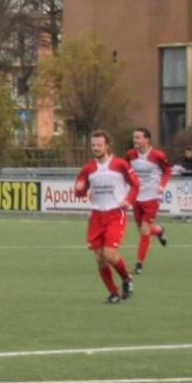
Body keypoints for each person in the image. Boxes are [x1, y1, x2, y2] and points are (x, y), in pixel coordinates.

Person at [74, 129, 139, 304]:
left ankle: (127, 279)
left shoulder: (120, 165)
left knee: (110, 254)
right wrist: (79, 188)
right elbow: (79, 192)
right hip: (96, 216)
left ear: (107, 145)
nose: (95, 148)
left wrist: (128, 200)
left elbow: (136, 185)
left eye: (99, 145)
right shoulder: (88, 168)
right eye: (93, 145)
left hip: (115, 213)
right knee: (99, 258)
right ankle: (114, 293)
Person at [125, 127, 170, 274]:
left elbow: (167, 171)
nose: (135, 140)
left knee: (144, 231)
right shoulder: (130, 155)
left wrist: (162, 186)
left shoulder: (157, 155)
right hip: (136, 197)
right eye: (134, 137)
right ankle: (158, 231)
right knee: (142, 230)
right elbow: (125, 170)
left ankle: (139, 265)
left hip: (151, 197)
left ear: (147, 139)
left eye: (138, 137)